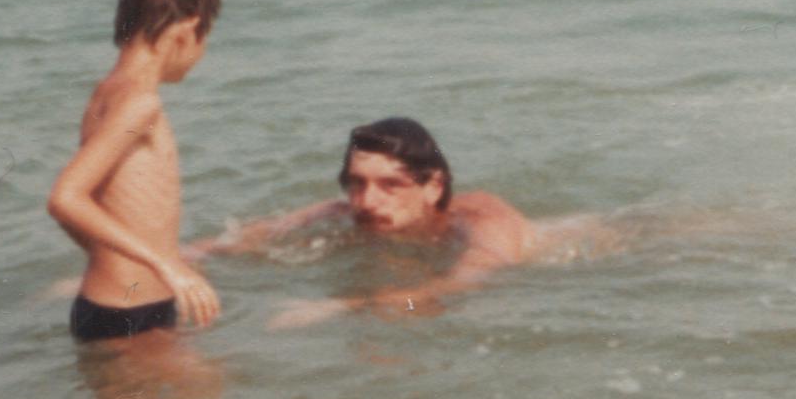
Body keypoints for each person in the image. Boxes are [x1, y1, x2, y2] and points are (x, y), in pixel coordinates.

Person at [189, 117, 536, 327]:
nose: (367, 201)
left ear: (433, 187)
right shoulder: (342, 213)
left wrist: (348, 305)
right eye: (357, 183)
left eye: (390, 185)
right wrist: (179, 261)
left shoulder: (484, 221)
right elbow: (240, 240)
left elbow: (461, 286)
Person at [48, 0, 222, 340]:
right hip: (129, 313)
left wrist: (115, 260)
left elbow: (80, 208)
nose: (203, 51)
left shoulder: (107, 93)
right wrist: (165, 265)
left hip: (117, 307)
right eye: (206, 35)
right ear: (186, 30)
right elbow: (65, 199)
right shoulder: (140, 105)